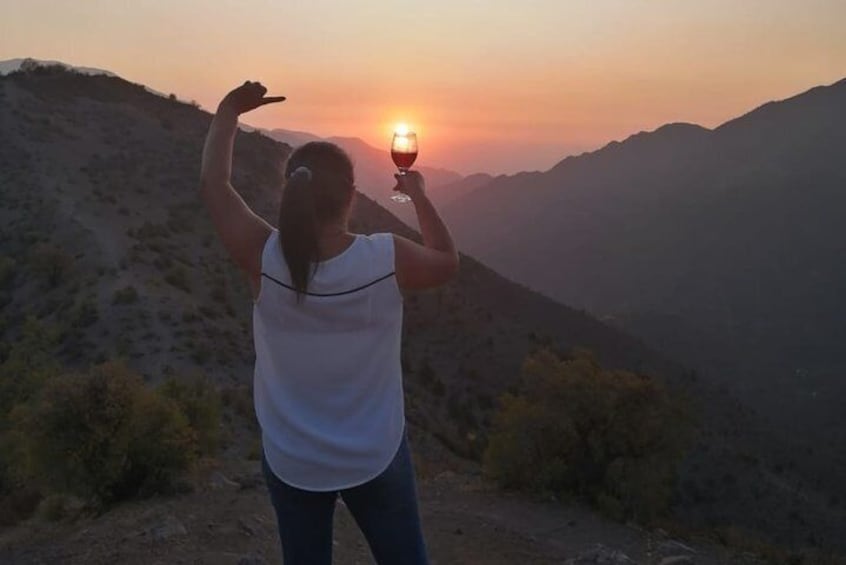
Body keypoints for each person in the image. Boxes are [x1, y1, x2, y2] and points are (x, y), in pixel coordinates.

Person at [199, 81, 459, 565]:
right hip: (374, 453)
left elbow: (215, 185)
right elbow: (446, 261)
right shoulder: (385, 257)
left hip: (293, 458)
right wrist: (419, 194)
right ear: (351, 195)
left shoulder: (262, 256)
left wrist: (228, 112)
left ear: (291, 191)